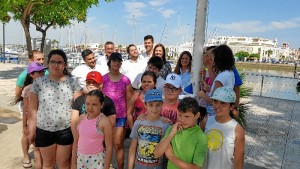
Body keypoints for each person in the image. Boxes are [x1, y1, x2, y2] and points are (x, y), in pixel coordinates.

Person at [28, 49, 82, 169]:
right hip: (43, 130)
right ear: (48, 64)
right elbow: (32, 110)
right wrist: (31, 130)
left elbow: (78, 109)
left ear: (65, 65)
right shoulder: (38, 83)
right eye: (52, 62)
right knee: (48, 164)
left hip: (66, 130)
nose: (56, 65)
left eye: (59, 62)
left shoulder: (72, 83)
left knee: (64, 164)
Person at [154, 97, 208, 169]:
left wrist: (171, 157)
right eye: (179, 115)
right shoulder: (172, 129)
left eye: (187, 116)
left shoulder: (201, 137)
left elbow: (196, 167)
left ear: (197, 115)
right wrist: (171, 134)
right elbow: (157, 153)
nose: (182, 120)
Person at [200, 86, 245, 169]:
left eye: (223, 103)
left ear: (231, 106)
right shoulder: (206, 121)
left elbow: (238, 163)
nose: (217, 106)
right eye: (215, 101)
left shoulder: (237, 130)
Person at [102, 52, 133, 169]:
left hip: (120, 116)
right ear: (109, 62)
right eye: (114, 60)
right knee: (104, 144)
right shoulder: (103, 78)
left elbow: (129, 100)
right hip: (106, 116)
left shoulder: (125, 80)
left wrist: (128, 117)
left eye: (119, 61)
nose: (116, 63)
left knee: (118, 144)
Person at [128, 89, 170, 169]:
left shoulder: (166, 125)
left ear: (162, 105)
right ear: (145, 105)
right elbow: (133, 147)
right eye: (151, 105)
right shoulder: (138, 122)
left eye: (158, 105)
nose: (154, 109)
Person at [72, 90, 113, 169]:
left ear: (101, 105)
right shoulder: (81, 118)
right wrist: (73, 162)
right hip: (80, 159)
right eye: (87, 104)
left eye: (94, 104)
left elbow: (109, 147)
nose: (90, 107)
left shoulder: (104, 122)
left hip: (97, 161)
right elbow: (76, 141)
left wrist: (106, 167)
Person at [71, 71, 116, 137]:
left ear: (101, 84)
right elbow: (74, 122)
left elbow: (111, 123)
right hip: (82, 138)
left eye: (94, 82)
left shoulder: (108, 101)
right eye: (88, 82)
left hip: (100, 139)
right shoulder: (79, 100)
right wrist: (77, 138)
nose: (91, 84)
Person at [20, 62, 46, 168]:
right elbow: (25, 109)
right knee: (37, 148)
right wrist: (25, 126)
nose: (42, 73)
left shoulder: (49, 86)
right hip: (34, 122)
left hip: (47, 123)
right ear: (31, 74)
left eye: (43, 71)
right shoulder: (27, 89)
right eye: (39, 72)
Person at [198, 45, 235, 116]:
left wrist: (202, 95)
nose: (211, 58)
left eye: (212, 56)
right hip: (224, 111)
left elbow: (213, 101)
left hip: (213, 113)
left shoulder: (221, 77)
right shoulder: (229, 73)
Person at [15, 50, 48, 117]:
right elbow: (18, 94)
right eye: (38, 59)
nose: (42, 61)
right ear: (31, 60)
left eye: (42, 59)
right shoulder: (22, 76)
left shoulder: (47, 72)